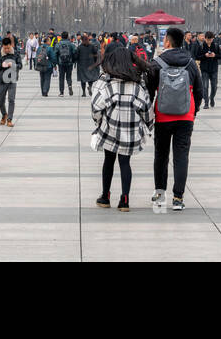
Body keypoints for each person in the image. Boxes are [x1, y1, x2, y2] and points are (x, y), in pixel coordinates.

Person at [91, 41, 154, 213]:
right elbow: (146, 109)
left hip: (110, 129)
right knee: (125, 163)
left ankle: (105, 196)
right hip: (131, 132)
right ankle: (125, 199)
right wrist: (148, 126)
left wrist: (98, 123)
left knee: (108, 161)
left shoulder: (109, 84)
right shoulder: (137, 85)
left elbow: (96, 107)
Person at [149, 26, 203, 212]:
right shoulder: (190, 63)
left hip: (163, 116)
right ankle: (178, 197)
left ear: (167, 42)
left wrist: (149, 112)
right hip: (185, 116)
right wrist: (193, 113)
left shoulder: (157, 62)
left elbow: (149, 90)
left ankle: (159, 193)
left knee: (161, 154)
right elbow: (199, 91)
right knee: (181, 156)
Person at [0, 36, 20, 126]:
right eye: (5, 48)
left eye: (8, 48)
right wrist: (0, 65)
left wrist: (13, 65)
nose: (6, 50)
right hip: (2, 81)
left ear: (11, 45)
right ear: (2, 46)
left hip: (12, 80)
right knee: (0, 101)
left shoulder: (16, 54)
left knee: (11, 99)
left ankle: (9, 119)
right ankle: (4, 115)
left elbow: (20, 65)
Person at [198, 30, 220, 108]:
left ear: (213, 39)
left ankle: (212, 98)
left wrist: (215, 55)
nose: (209, 41)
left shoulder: (216, 46)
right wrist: (205, 55)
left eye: (210, 39)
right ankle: (206, 102)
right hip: (204, 69)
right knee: (205, 86)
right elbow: (197, 56)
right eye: (207, 39)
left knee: (214, 86)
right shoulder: (201, 46)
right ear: (205, 38)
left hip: (214, 69)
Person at [55, 31, 76, 96]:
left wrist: (56, 63)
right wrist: (73, 61)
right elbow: (74, 52)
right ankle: (69, 86)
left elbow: (55, 54)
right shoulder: (71, 44)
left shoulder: (58, 44)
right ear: (67, 36)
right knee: (69, 76)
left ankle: (61, 92)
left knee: (61, 77)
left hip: (61, 63)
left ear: (61, 36)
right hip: (69, 63)